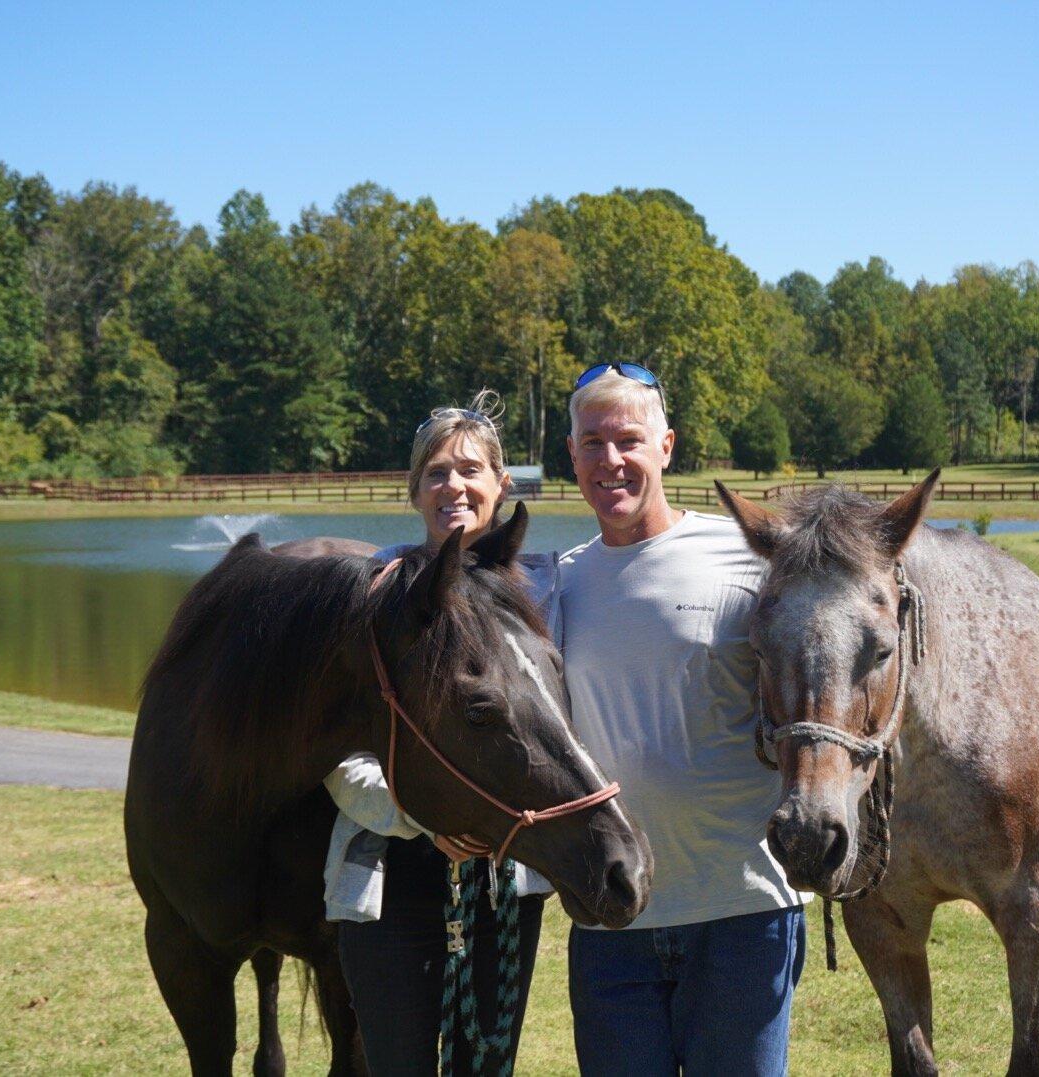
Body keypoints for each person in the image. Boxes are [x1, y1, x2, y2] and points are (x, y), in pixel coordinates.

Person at [558, 365, 805, 1076]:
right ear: (571, 454)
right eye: (592, 441)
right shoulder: (559, 581)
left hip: (743, 909)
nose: (611, 459)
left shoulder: (750, 558)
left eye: (628, 439)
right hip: (611, 916)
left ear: (666, 445)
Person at [324, 390, 556, 1075]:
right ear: (414, 490)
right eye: (435, 472)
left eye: (469, 469)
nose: (452, 485)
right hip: (388, 880)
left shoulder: (543, 593)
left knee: (488, 1064)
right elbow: (340, 755)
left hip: (504, 879)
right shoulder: (371, 593)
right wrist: (424, 818)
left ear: (499, 484)